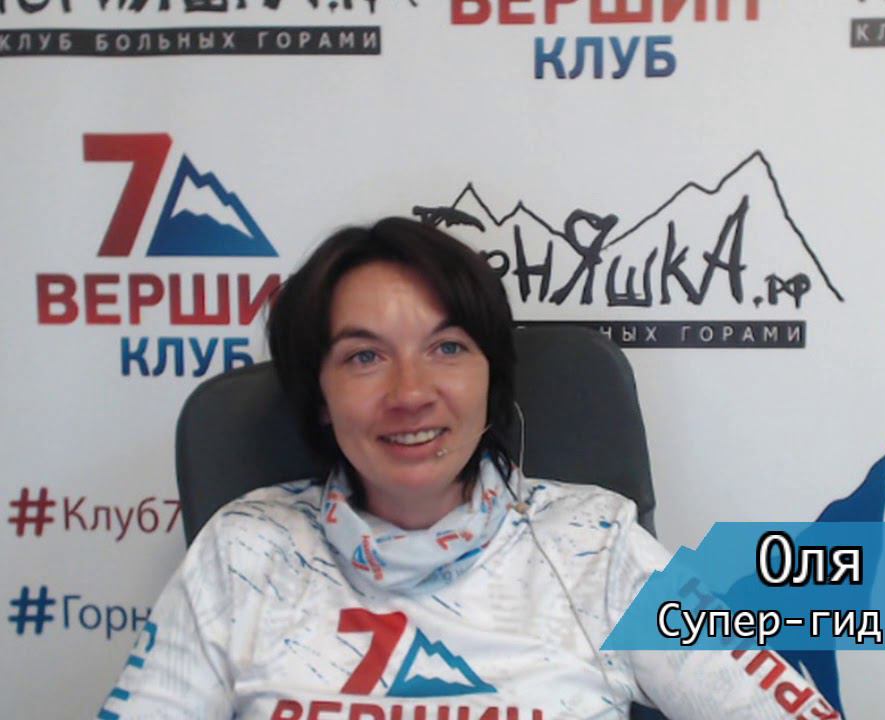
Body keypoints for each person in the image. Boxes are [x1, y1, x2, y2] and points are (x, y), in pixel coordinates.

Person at [102, 217, 838, 719]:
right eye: (364, 356)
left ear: (492, 379)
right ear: (319, 397)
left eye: (448, 348)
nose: (411, 393)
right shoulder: (243, 551)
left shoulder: (598, 544)